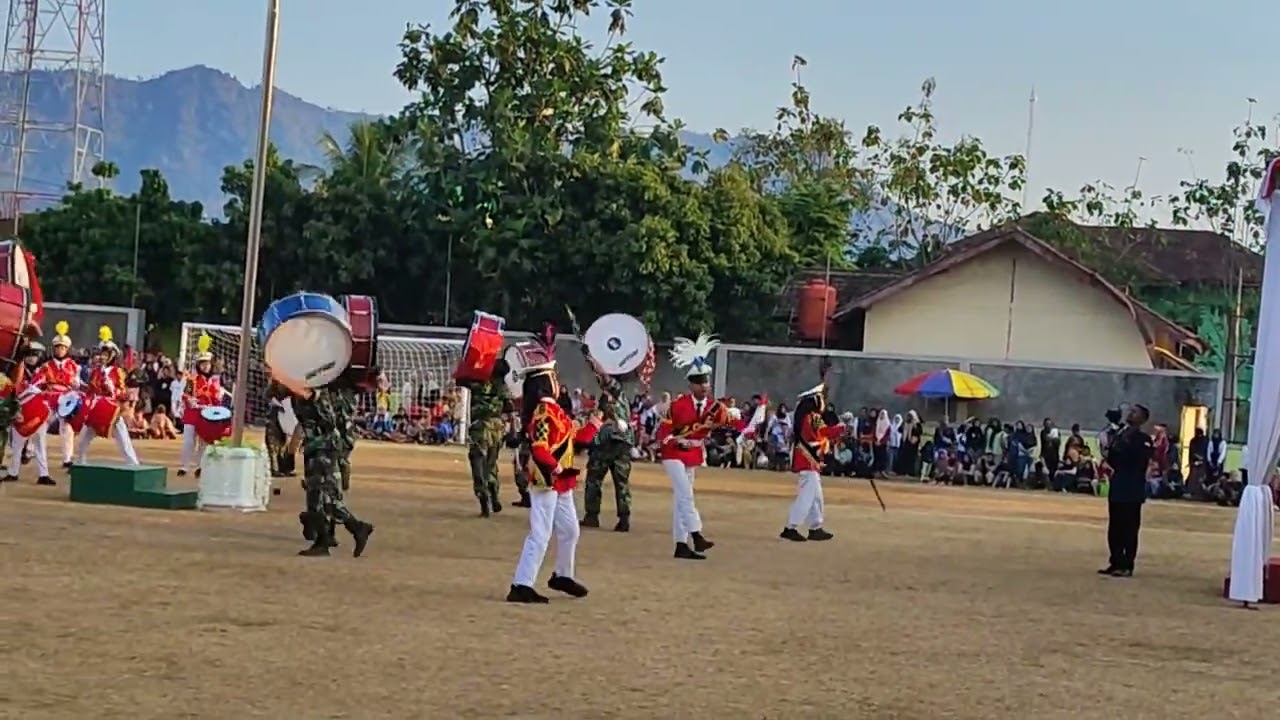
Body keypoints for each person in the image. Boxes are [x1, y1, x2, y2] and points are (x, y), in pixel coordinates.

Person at [506, 328, 591, 603]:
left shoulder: (555, 411)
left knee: (569, 529)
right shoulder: (544, 413)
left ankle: (562, 574)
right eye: (553, 377)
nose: (558, 382)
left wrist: (597, 424)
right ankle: (521, 583)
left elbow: (575, 439)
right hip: (547, 476)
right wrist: (555, 468)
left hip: (559, 477)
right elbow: (540, 448)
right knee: (540, 533)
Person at [274, 367, 375, 558]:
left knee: (323, 496)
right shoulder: (298, 387)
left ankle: (350, 529)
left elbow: (318, 406)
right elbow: (273, 393)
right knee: (319, 497)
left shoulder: (315, 387)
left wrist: (290, 382)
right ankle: (339, 534)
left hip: (325, 445)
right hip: (315, 445)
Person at [656, 332, 726, 561]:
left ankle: (680, 543)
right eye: (700, 382)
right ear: (691, 384)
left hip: (693, 453)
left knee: (681, 499)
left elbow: (729, 422)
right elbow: (664, 431)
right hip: (673, 453)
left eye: (706, 381)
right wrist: (673, 438)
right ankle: (696, 535)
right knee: (686, 494)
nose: (704, 385)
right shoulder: (678, 405)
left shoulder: (715, 407)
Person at [780, 381, 843, 542]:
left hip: (809, 461)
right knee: (807, 497)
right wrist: (841, 427)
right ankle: (791, 527)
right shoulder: (812, 417)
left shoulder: (807, 417)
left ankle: (815, 527)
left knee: (816, 498)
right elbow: (824, 432)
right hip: (808, 461)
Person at [579, 350, 635, 532]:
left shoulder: (615, 388)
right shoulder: (619, 394)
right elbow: (600, 375)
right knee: (618, 482)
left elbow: (602, 375)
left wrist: (590, 358)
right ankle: (621, 518)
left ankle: (594, 515)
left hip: (609, 441)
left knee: (597, 480)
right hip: (617, 442)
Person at [1099, 403, 1154, 577]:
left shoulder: (1143, 439)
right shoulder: (1119, 435)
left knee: (1129, 528)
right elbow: (1113, 458)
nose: (1130, 413)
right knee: (1114, 527)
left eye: (1135, 412)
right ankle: (1115, 561)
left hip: (1133, 488)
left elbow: (1140, 461)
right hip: (1118, 485)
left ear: (1143, 419)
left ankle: (1127, 564)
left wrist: (1125, 443)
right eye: (1131, 411)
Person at [460, 358, 513, 517]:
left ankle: (483, 497)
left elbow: (461, 379)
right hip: (496, 428)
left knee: (477, 463)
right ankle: (494, 494)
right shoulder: (503, 387)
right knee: (491, 464)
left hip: (480, 427)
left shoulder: (479, 383)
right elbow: (509, 407)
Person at [3, 342, 53, 485]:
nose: (31, 359)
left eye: (34, 356)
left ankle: (44, 474)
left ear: (40, 357)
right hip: (21, 412)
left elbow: (50, 390)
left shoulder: (44, 372)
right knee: (17, 445)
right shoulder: (17, 371)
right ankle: (13, 472)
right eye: (28, 355)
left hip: (39, 412)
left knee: (40, 444)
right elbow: (12, 391)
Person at [177, 333, 225, 477]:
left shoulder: (215, 381)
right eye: (202, 364)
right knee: (188, 441)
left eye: (207, 363)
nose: (205, 366)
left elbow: (216, 400)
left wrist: (218, 396)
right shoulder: (192, 379)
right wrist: (190, 401)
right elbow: (185, 395)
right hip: (192, 414)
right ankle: (185, 466)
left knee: (204, 442)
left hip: (207, 414)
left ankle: (200, 466)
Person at [39, 321, 80, 469]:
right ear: (54, 349)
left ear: (67, 349)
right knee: (41, 423)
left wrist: (76, 386)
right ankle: (31, 451)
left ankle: (67, 458)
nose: (60, 350)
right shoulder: (46, 365)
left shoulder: (74, 365)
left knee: (67, 428)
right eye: (58, 347)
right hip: (50, 397)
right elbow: (40, 381)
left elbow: (77, 382)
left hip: (66, 398)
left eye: (63, 348)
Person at [263, 379, 295, 478]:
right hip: (274, 416)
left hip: (286, 416)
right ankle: (275, 469)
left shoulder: (290, 383)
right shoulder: (274, 384)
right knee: (274, 445)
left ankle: (285, 468)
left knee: (285, 443)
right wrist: (275, 403)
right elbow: (267, 396)